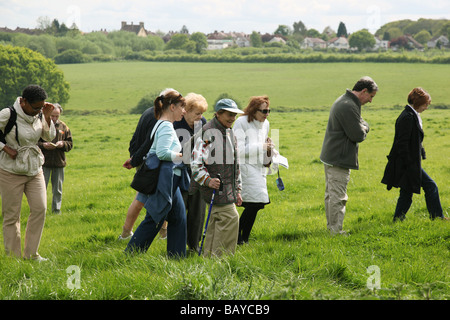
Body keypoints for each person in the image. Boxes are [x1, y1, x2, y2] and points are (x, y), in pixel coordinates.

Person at [125, 89, 188, 258]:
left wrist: (134, 161)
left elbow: (148, 146)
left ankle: (177, 257)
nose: (184, 111)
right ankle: (131, 254)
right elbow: (162, 153)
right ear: (172, 107)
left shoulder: (160, 123)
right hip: (167, 178)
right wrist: (184, 156)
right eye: (182, 107)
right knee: (155, 217)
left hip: (170, 178)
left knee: (178, 218)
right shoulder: (166, 126)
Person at [0, 85, 56, 261]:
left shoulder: (40, 113)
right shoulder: (8, 114)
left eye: (41, 107)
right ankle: (13, 258)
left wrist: (47, 116)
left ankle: (32, 254)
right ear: (23, 101)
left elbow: (49, 137)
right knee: (12, 216)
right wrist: (5, 148)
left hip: (34, 169)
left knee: (40, 209)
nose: (38, 111)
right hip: (10, 171)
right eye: (35, 107)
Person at [320, 76, 378, 235]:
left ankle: (332, 228)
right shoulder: (349, 105)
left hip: (332, 156)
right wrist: (365, 128)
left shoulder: (347, 101)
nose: (371, 101)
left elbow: (360, 123)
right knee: (338, 197)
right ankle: (335, 231)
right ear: (364, 91)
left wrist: (362, 125)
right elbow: (358, 134)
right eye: (371, 96)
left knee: (331, 196)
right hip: (339, 158)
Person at [381, 87, 447, 221]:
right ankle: (437, 217)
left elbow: (415, 139)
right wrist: (410, 164)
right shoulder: (407, 117)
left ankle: (398, 219)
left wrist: (421, 152)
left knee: (406, 192)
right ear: (418, 103)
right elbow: (402, 143)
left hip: (409, 161)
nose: (426, 108)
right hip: (408, 163)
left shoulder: (411, 115)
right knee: (431, 186)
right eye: (425, 104)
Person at [191, 98, 244, 257]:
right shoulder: (208, 133)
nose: (232, 118)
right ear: (218, 114)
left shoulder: (229, 131)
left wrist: (238, 190)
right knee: (231, 218)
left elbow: (235, 164)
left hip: (227, 188)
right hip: (215, 189)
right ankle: (222, 259)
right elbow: (195, 164)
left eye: (234, 115)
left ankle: (209, 258)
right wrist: (208, 180)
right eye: (229, 114)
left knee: (216, 222)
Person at [233, 95, 273, 244]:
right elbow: (238, 150)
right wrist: (262, 147)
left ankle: (243, 238)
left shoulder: (266, 123)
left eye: (269, 111)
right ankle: (238, 236)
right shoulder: (241, 122)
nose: (266, 114)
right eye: (263, 111)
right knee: (253, 203)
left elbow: (263, 145)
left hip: (259, 168)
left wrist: (270, 150)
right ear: (253, 110)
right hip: (244, 168)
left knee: (257, 204)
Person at [173, 93, 208, 253]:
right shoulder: (175, 123)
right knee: (179, 210)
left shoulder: (202, 124)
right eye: (197, 113)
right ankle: (177, 246)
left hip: (197, 172)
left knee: (198, 211)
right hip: (178, 172)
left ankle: (194, 246)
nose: (200, 117)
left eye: (202, 113)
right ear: (186, 111)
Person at [120, 104, 157, 240]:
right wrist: (135, 160)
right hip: (148, 162)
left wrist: (133, 156)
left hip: (141, 159)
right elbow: (148, 142)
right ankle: (126, 232)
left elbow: (135, 138)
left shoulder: (148, 111)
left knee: (145, 198)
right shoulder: (157, 117)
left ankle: (163, 232)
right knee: (141, 198)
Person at [38, 104, 73, 214]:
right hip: (43, 162)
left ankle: (56, 210)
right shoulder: (40, 125)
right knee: (40, 189)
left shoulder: (64, 127)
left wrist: (63, 144)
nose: (54, 118)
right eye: (52, 116)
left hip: (59, 162)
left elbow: (70, 143)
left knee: (57, 189)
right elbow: (32, 143)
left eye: (57, 116)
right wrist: (44, 145)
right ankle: (39, 210)